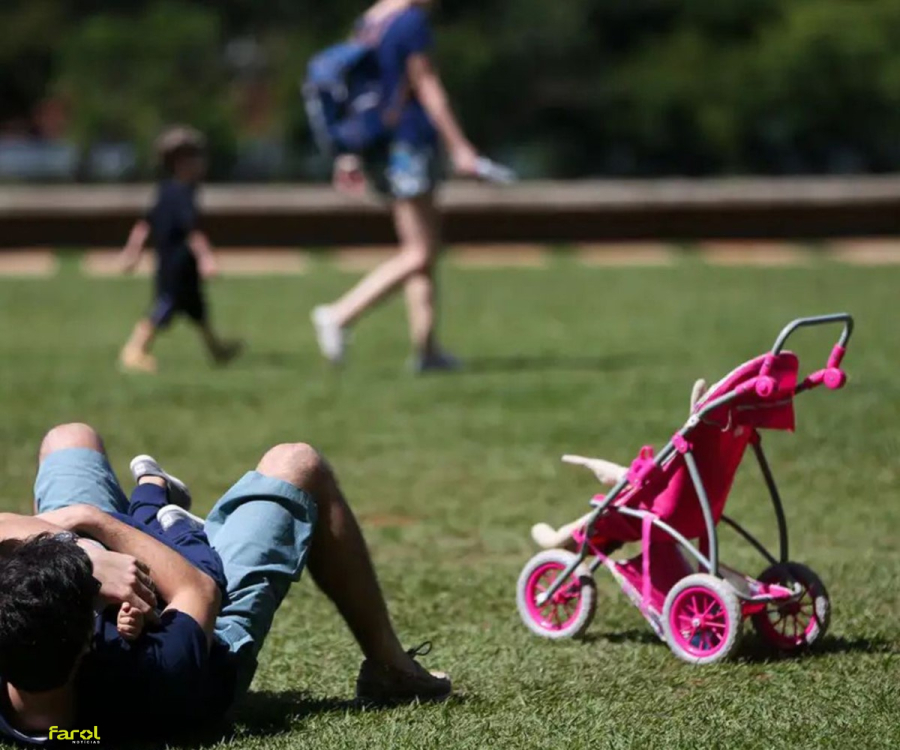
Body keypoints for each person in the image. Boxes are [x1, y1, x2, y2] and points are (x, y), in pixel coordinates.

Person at [0, 423, 450, 745]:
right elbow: (196, 588)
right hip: (204, 625)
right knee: (297, 462)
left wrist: (83, 555)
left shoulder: (46, 678)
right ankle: (392, 669)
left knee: (69, 438)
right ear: (88, 640)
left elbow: (71, 728)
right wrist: (89, 524)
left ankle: (150, 513)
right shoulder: (156, 674)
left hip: (98, 625)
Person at [311, 0, 482, 372]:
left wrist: (348, 154)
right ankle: (340, 314)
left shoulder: (370, 20)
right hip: (409, 142)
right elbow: (427, 85)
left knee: (420, 249)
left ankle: (428, 350)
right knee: (420, 252)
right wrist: (460, 147)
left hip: (379, 146)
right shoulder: (410, 22)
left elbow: (351, 92)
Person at [118, 126, 241, 374]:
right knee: (163, 308)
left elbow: (143, 225)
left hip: (177, 264)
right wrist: (207, 259)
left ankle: (217, 351)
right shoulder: (183, 194)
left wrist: (132, 252)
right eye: (197, 159)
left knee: (198, 311)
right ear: (181, 163)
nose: (202, 164)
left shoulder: (165, 191)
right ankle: (133, 350)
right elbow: (193, 231)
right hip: (176, 265)